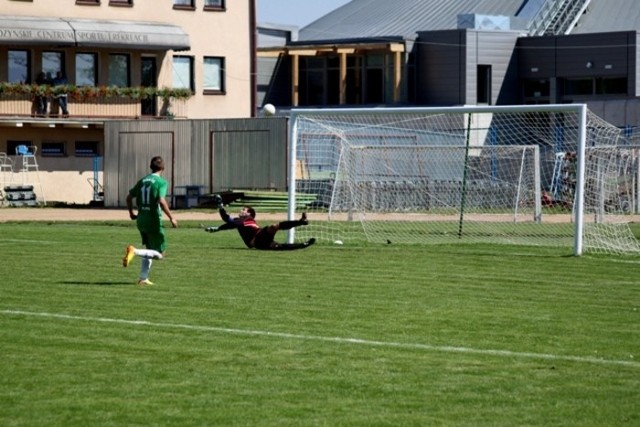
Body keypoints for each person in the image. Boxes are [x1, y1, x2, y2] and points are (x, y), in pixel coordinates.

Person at [122, 156, 178, 286]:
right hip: (153, 220)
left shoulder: (142, 181)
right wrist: (172, 217)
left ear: (150, 167)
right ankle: (134, 251)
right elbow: (161, 200)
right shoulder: (161, 182)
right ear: (163, 168)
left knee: (149, 249)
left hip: (141, 219)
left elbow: (129, 197)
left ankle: (143, 278)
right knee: (160, 254)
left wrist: (131, 212)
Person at [204, 198, 315, 250]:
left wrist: (218, 228)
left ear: (249, 214)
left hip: (260, 235)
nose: (241, 210)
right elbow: (228, 220)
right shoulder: (240, 221)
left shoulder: (246, 219)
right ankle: (301, 228)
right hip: (257, 243)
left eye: (244, 209)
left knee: (274, 228)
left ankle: (302, 239)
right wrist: (221, 207)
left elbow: (229, 223)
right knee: (277, 246)